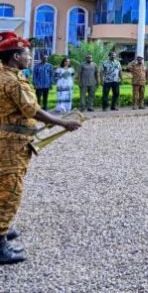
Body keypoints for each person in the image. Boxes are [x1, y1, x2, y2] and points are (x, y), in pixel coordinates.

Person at [0, 32, 81, 264]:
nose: (30, 57)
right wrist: (62, 123)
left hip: (9, 140)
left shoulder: (6, 74)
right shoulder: (13, 81)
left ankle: (3, 230)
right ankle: (0, 244)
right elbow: (31, 110)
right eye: (27, 54)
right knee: (10, 191)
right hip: (11, 145)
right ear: (16, 56)